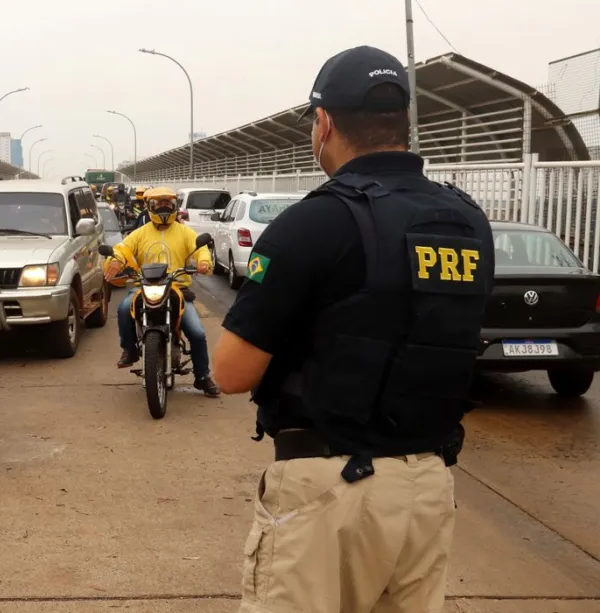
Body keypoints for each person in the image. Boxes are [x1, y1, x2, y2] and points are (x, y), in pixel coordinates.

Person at [211, 46, 494, 613]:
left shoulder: (315, 221)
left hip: (329, 491)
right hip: (427, 487)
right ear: (403, 123)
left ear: (324, 123)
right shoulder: (467, 222)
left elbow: (232, 373)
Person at [104, 186, 221, 398]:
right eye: (159, 203)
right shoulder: (140, 233)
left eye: (168, 203)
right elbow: (122, 250)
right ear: (150, 206)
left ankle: (203, 376)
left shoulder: (185, 232)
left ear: (175, 206)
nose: (164, 207)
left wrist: (204, 262)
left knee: (197, 332)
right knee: (123, 309)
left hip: (177, 288)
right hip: (144, 287)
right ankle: (129, 350)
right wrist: (115, 261)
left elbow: (200, 249)